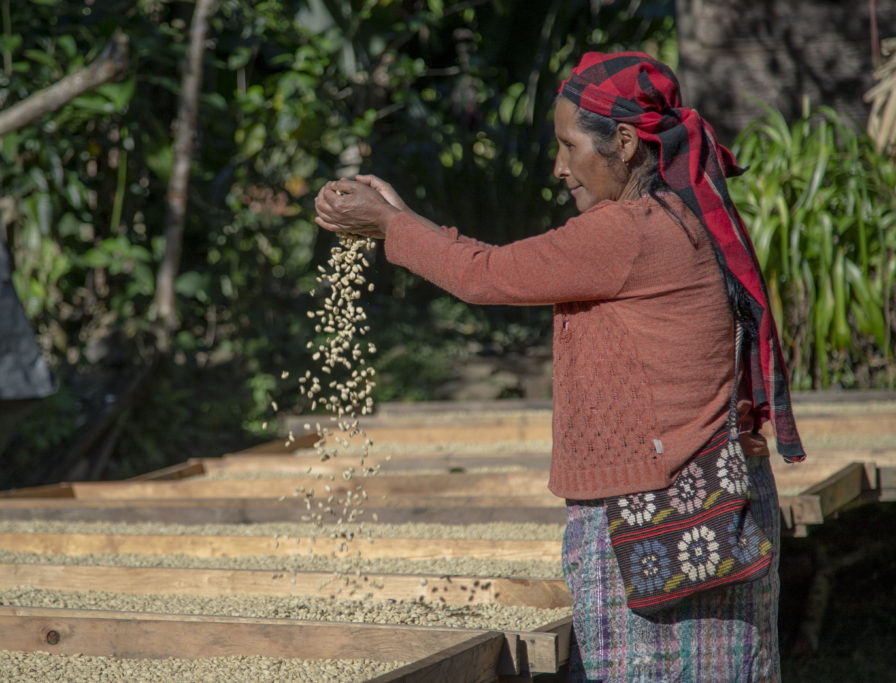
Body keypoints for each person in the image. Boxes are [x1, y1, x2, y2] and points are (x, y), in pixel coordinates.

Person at [315, 51, 804, 681]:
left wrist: (391, 224)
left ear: (623, 142)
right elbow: (497, 267)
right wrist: (399, 221)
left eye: (569, 146)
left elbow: (483, 276)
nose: (558, 167)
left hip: (658, 510)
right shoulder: (669, 216)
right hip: (697, 500)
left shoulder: (628, 231)